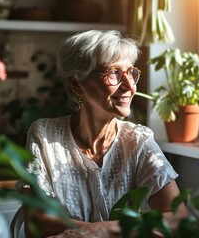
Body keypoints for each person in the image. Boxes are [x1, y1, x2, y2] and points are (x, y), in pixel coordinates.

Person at [24, 29, 188, 237]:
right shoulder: (45, 135)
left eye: (131, 73)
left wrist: (103, 229)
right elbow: (36, 220)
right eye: (114, 73)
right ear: (76, 84)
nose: (130, 86)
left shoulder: (137, 140)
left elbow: (178, 216)